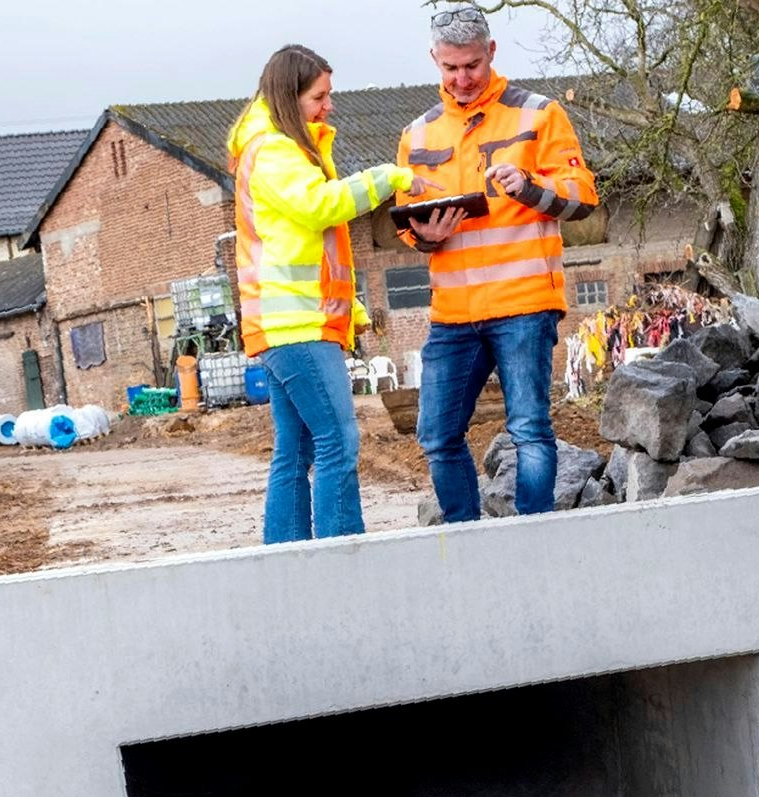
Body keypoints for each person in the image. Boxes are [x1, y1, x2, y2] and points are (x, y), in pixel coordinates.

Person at [396, 6, 600, 521]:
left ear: (491, 53)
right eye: (449, 68)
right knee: (437, 435)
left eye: (471, 66)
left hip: (525, 304)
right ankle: (468, 540)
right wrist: (424, 238)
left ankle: (532, 540)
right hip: (453, 314)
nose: (461, 79)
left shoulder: (539, 114)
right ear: (434, 62)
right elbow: (404, 223)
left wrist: (532, 188)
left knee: (529, 428)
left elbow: (583, 199)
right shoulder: (416, 135)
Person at [227, 45, 434, 543]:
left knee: (294, 451)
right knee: (338, 441)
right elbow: (321, 209)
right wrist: (392, 178)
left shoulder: (277, 148)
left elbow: (310, 245)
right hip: (297, 327)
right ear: (288, 96)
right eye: (319, 97)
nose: (328, 106)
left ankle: (289, 559)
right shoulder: (274, 150)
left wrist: (353, 307)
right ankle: (342, 557)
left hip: (288, 325)